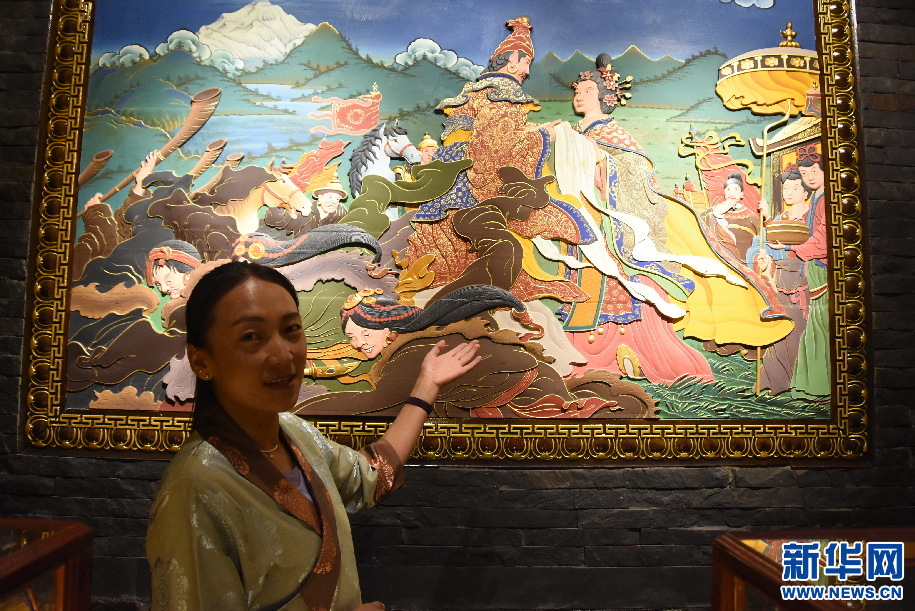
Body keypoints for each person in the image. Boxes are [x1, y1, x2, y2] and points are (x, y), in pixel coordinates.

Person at [147, 261, 482, 610]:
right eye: (251, 337)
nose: (283, 354)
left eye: (291, 329)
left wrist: (426, 387)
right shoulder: (195, 488)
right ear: (202, 362)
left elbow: (370, 476)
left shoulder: (293, 433)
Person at [298, 285, 658, 419]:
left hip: (529, 395)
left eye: (363, 332)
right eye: (351, 337)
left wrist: (296, 413)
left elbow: (372, 404)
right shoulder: (409, 349)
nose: (358, 342)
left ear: (387, 325)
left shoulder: (413, 354)